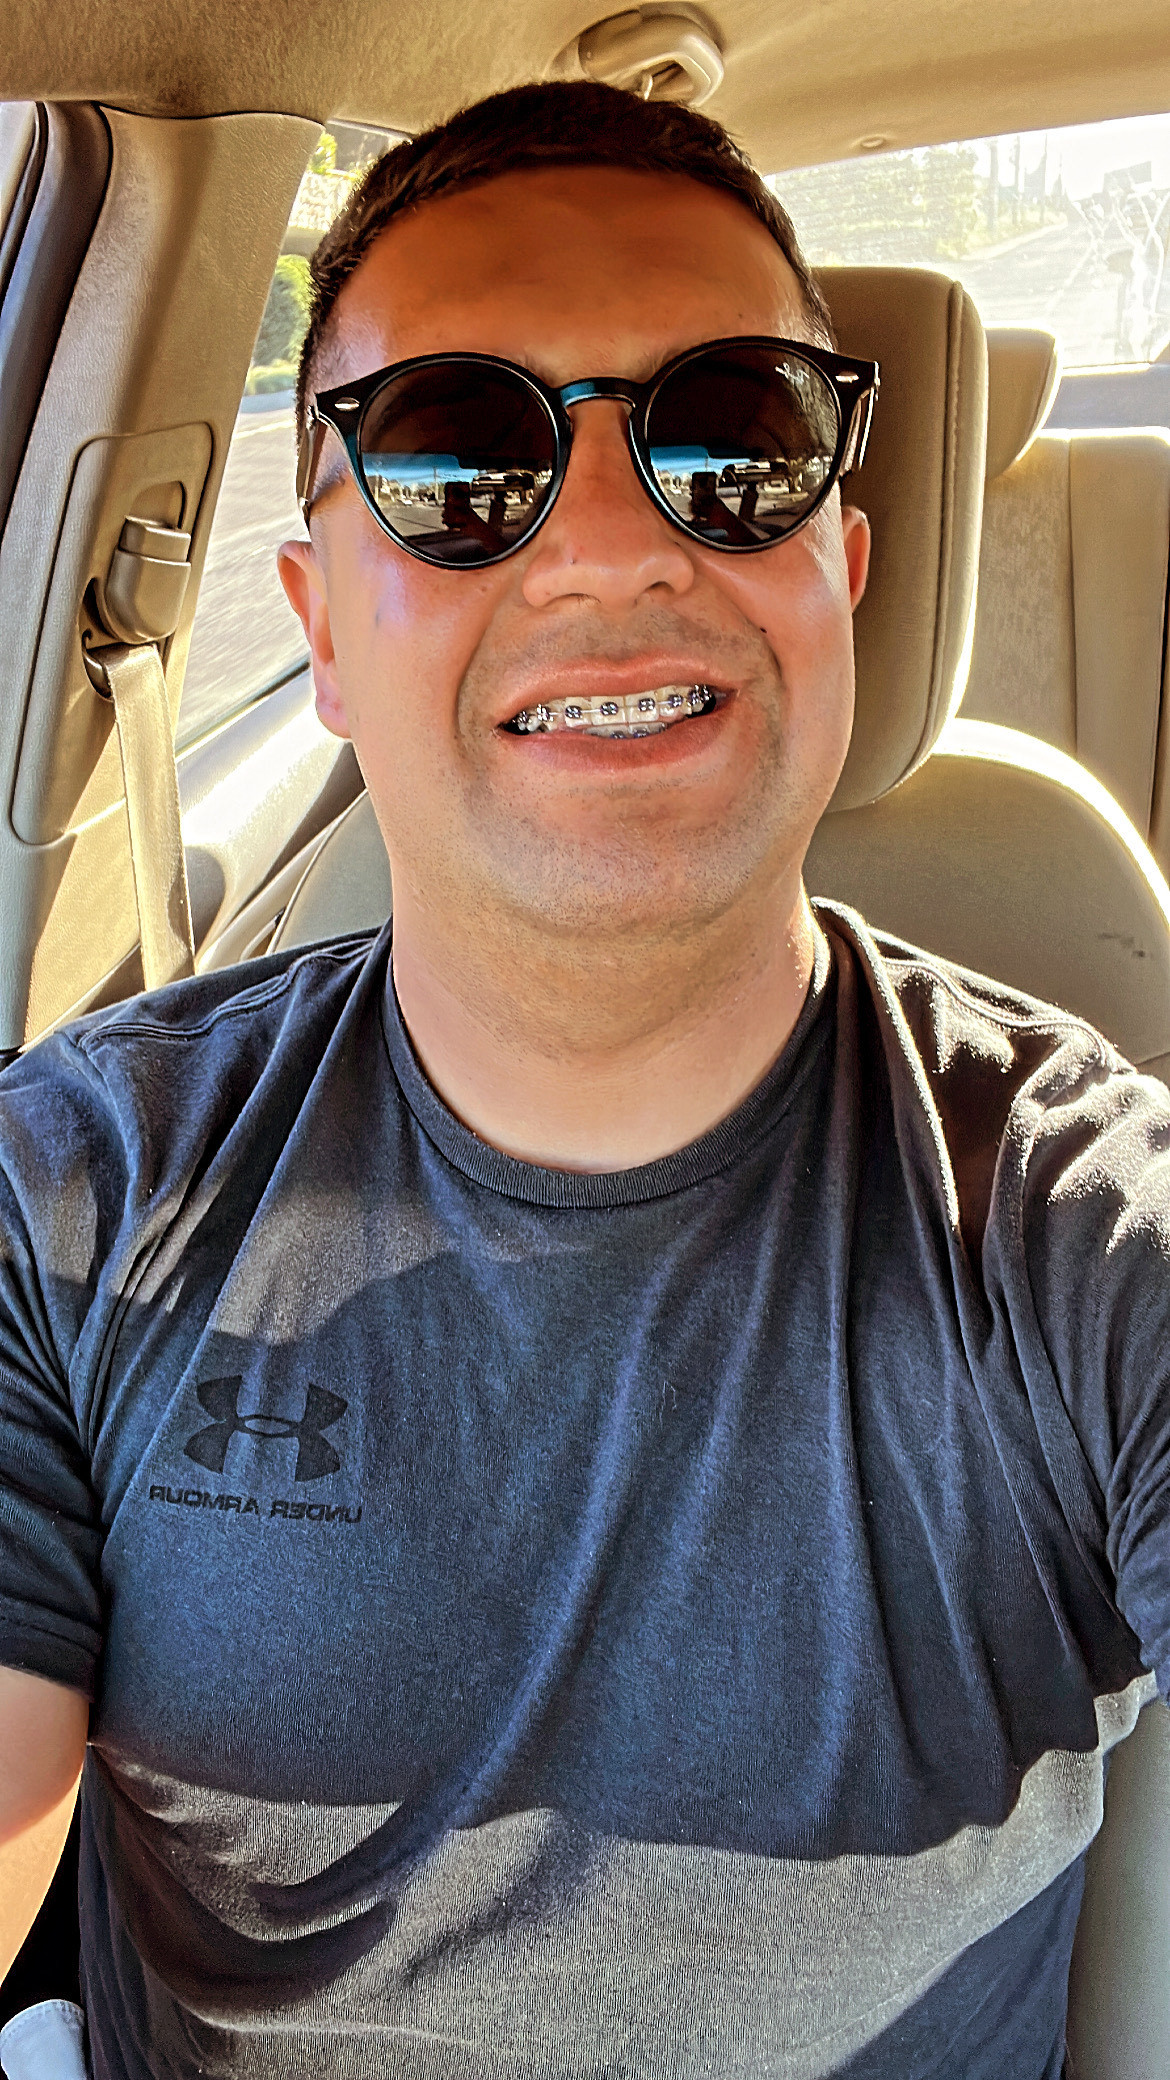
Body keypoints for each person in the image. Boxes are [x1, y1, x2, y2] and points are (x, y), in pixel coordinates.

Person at [0, 78, 1167, 2080]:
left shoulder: (1082, 1233)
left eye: (737, 441)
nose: (614, 546)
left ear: (842, 564)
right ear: (320, 630)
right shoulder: (76, 1192)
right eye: (459, 457)